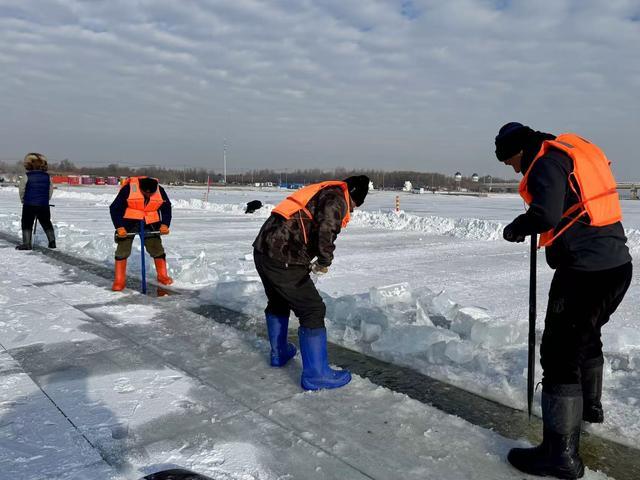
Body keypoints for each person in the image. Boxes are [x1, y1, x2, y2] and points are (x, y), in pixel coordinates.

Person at [495, 123, 632, 479]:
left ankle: (560, 456)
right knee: (586, 336)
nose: (513, 169)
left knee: (558, 353)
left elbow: (547, 215)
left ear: (519, 149)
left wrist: (519, 227)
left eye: (510, 160)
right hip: (616, 266)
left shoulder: (545, 162)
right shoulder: (569, 152)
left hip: (586, 271)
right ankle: (590, 409)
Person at [253, 175, 370, 390]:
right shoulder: (336, 199)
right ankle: (316, 376)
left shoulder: (323, 192)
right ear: (352, 195)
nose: (352, 210)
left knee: (279, 301)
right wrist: (325, 261)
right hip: (284, 256)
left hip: (263, 250)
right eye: (355, 204)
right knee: (313, 309)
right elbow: (326, 230)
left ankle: (279, 353)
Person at [109, 176, 173, 291]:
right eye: (145, 193)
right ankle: (119, 280)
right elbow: (114, 208)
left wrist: (165, 224)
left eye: (151, 193)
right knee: (122, 250)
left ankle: (162, 275)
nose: (148, 195)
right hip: (128, 223)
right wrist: (119, 227)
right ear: (140, 188)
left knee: (156, 249)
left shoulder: (160, 190)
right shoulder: (128, 189)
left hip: (150, 223)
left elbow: (166, 208)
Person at [16, 153, 55, 250]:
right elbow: (50, 190)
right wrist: (46, 200)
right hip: (43, 205)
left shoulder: (26, 176)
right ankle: (52, 242)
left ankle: (27, 244)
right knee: (46, 223)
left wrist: (23, 200)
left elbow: (22, 190)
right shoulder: (47, 177)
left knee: (27, 223)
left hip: (29, 204)